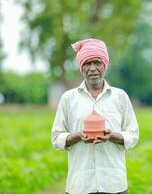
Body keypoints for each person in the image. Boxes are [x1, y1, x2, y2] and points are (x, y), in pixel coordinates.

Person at [51, 38, 139, 194]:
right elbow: (56, 138)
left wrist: (111, 136)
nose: (92, 68)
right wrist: (77, 136)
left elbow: (133, 135)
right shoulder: (68, 98)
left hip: (113, 184)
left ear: (105, 65)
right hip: (80, 185)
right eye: (87, 63)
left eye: (97, 62)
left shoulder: (119, 97)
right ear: (81, 67)